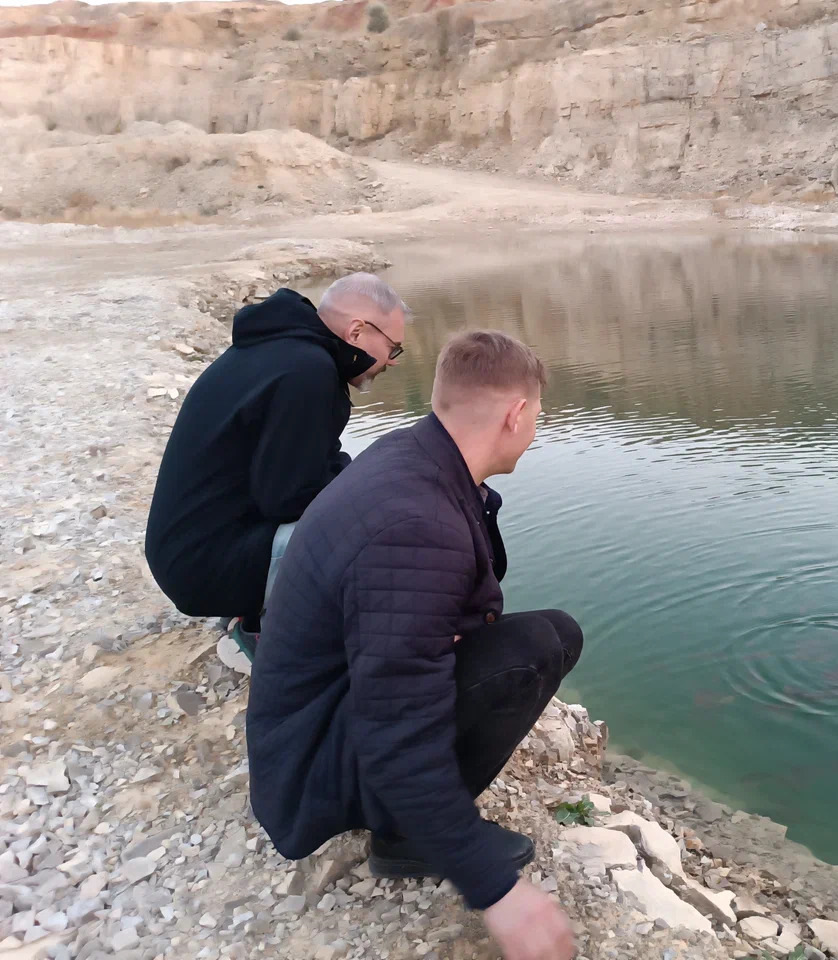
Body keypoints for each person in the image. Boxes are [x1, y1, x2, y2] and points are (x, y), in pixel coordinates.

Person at [246, 330, 580, 960]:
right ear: (516, 415)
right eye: (537, 414)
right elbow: (396, 730)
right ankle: (406, 837)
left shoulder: (415, 456)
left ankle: (411, 821)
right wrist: (494, 887)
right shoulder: (418, 525)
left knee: (548, 635)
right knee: (538, 644)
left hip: (319, 720)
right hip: (311, 764)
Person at [144, 273, 407, 667]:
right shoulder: (308, 371)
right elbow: (290, 498)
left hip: (189, 553)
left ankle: (259, 609)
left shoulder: (283, 352)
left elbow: (307, 464)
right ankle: (267, 636)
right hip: (203, 568)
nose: (389, 362)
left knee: (356, 500)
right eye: (393, 348)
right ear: (356, 331)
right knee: (376, 529)